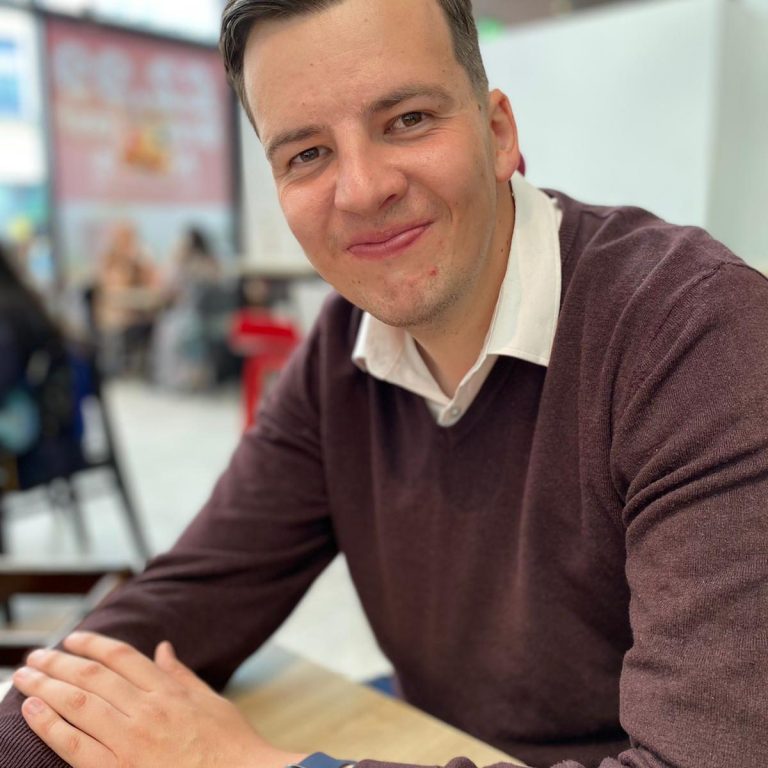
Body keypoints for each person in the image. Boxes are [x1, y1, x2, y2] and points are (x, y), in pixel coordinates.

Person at [2, 1, 767, 767]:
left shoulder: (698, 334)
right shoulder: (342, 351)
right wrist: (35, 721)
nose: (363, 189)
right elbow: (193, 591)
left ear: (499, 132)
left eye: (407, 120)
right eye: (307, 154)